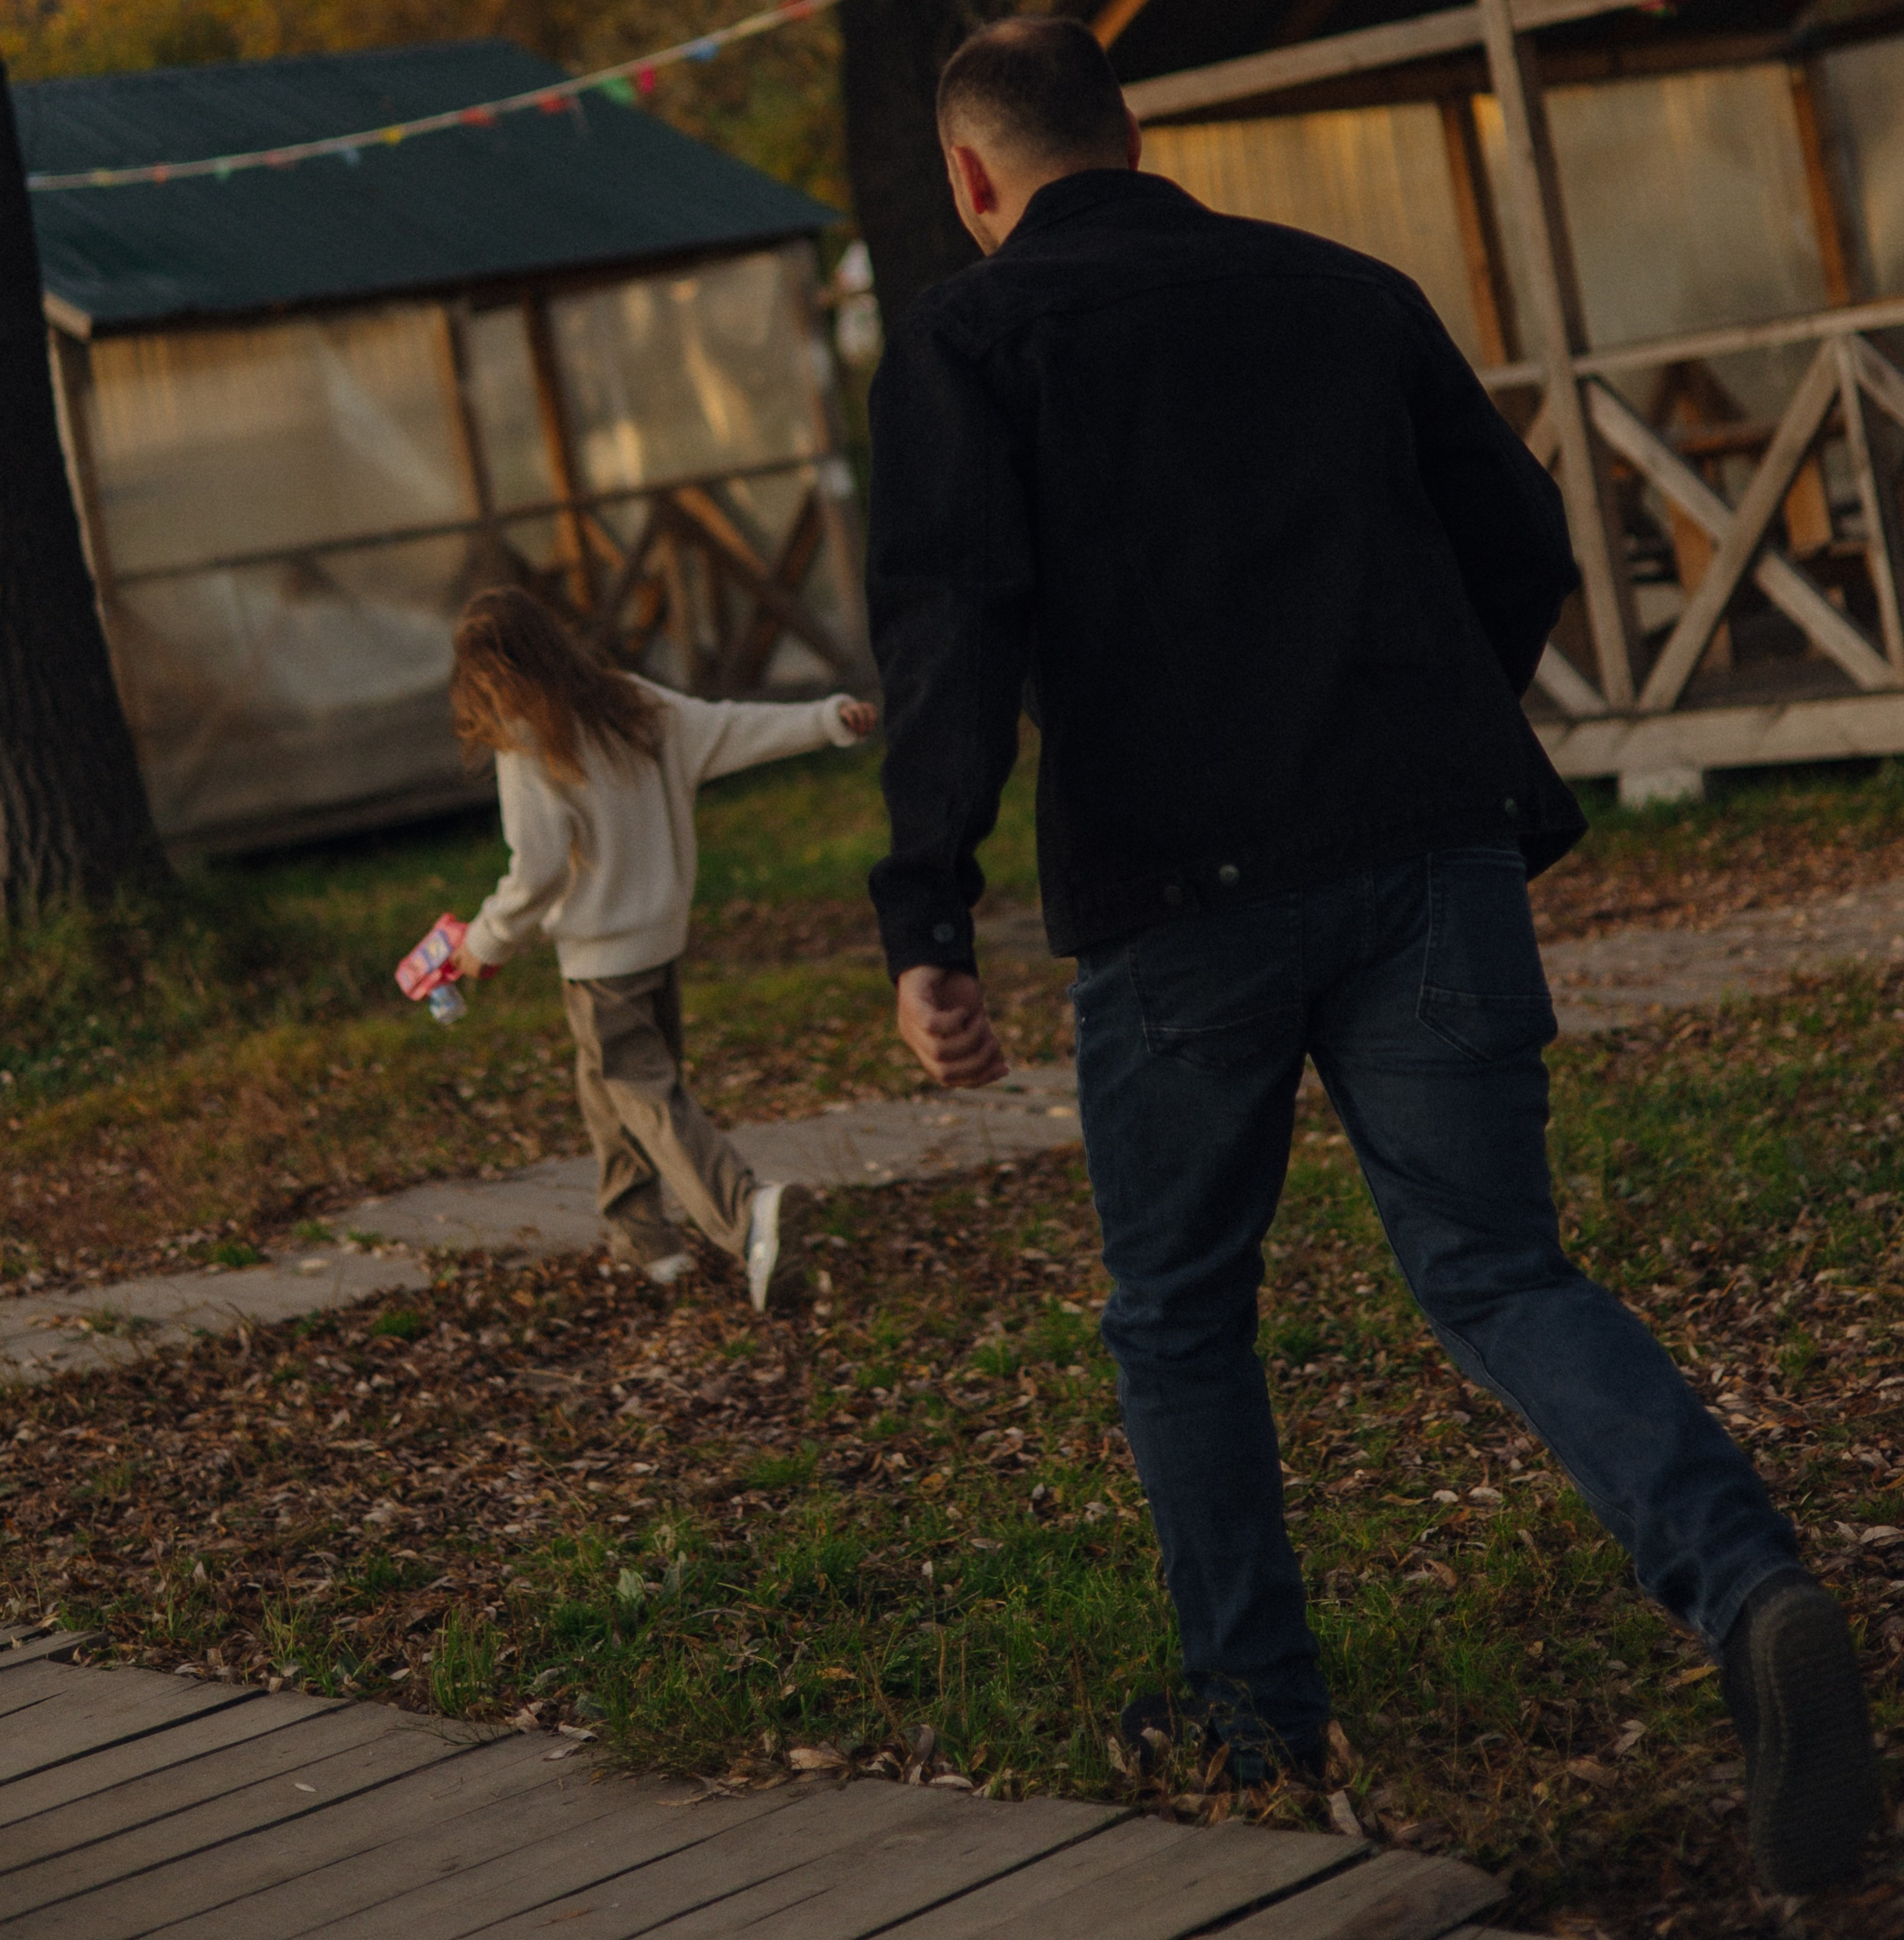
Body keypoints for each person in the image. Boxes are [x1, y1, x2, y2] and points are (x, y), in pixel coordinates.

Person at [863, 17, 1878, 1897]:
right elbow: (1519, 537)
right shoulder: (1340, 288)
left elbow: (952, 629)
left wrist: (926, 913)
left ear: (970, 179)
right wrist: (1420, 736)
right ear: (1134, 130)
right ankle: (1747, 1587)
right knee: (1495, 1266)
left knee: (1179, 1311)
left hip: (1179, 902)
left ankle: (1255, 1706)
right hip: (1428, 856)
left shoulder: (968, 339)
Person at [447, 586, 877, 1310]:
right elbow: (732, 728)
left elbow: (539, 867)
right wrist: (826, 720)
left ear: (485, 674)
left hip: (599, 960)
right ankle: (642, 1236)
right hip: (658, 944)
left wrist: (487, 941)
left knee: (644, 1096)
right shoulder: (631, 703)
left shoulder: (527, 738)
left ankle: (748, 1215)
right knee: (607, 1087)